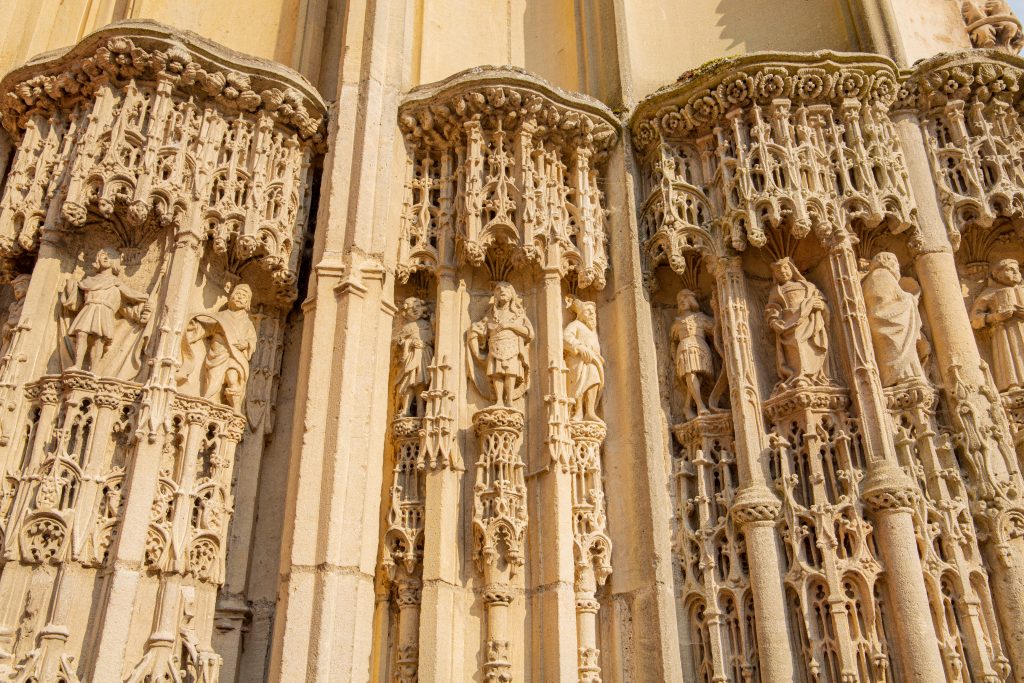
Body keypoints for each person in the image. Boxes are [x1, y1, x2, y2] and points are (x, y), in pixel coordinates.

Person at [62, 247, 150, 372]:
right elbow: (76, 302)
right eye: (102, 255)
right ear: (97, 259)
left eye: (110, 255)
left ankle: (94, 370)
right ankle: (77, 365)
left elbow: (131, 294)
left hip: (104, 311)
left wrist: (147, 297)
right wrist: (71, 286)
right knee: (81, 334)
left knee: (99, 339)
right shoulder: (88, 281)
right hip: (89, 308)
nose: (106, 257)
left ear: (115, 262)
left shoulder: (115, 282)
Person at [184, 284, 258, 411]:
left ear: (248, 303)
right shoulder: (222, 316)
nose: (240, 298)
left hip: (236, 356)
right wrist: (191, 328)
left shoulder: (247, 323)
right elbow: (206, 328)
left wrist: (246, 344)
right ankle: (208, 404)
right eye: (238, 294)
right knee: (213, 380)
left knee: (233, 378)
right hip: (218, 352)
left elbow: (252, 340)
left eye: (244, 296)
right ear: (231, 297)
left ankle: (235, 410)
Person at [862, 252, 928, 387]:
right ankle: (902, 378)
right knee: (900, 354)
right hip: (889, 323)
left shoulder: (876, 277)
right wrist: (911, 298)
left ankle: (904, 377)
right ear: (887, 262)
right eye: (895, 263)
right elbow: (887, 305)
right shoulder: (882, 275)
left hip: (888, 323)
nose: (897, 267)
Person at [765, 257, 830, 390]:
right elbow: (772, 309)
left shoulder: (808, 286)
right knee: (796, 345)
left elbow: (822, 302)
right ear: (775, 275)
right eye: (778, 271)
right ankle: (799, 376)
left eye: (785, 268)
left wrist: (821, 305)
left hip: (810, 323)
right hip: (788, 325)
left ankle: (814, 376)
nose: (782, 272)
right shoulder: (776, 291)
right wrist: (774, 321)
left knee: (811, 348)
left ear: (792, 269)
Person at [468, 281, 533, 408]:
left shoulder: (518, 314)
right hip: (495, 346)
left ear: (512, 294)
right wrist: (474, 332)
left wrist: (510, 325)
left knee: (510, 372)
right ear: (495, 295)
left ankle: (509, 400)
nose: (502, 291)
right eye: (498, 289)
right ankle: (498, 401)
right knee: (496, 373)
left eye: (506, 289)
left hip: (512, 348)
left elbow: (530, 333)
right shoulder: (491, 314)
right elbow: (481, 328)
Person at [971, 258, 1024, 392]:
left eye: (1016, 270)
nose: (1015, 272)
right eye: (1010, 270)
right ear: (997, 274)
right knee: (1009, 357)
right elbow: (975, 319)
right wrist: (995, 317)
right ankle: (1013, 386)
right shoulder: (990, 293)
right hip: (1004, 332)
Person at [670, 289, 715, 419]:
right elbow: (673, 341)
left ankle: (687, 406)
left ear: (691, 300)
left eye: (684, 298)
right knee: (691, 373)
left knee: (699, 375)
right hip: (685, 348)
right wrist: (674, 357)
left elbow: (715, 329)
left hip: (701, 347)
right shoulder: (677, 323)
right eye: (679, 300)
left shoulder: (701, 318)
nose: (682, 301)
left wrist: (716, 308)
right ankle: (700, 405)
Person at [563, 297, 604, 422]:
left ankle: (590, 411)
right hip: (577, 362)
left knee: (594, 380)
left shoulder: (592, 331)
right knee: (579, 383)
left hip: (593, 362)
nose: (592, 314)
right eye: (588, 311)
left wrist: (597, 357)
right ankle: (579, 411)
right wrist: (580, 347)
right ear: (581, 314)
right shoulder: (575, 325)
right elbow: (565, 338)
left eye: (593, 312)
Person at [393, 297, 434, 417]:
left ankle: (421, 410)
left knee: (420, 382)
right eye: (411, 308)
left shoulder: (428, 324)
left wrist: (425, 343)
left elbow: (433, 339)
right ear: (406, 312)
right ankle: (406, 409)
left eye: (417, 307)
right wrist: (409, 343)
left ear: (423, 309)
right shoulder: (406, 328)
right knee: (408, 382)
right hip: (410, 356)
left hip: (424, 354)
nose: (415, 310)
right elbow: (397, 344)